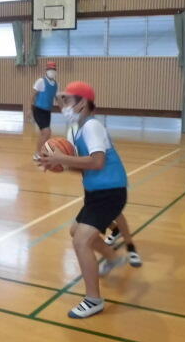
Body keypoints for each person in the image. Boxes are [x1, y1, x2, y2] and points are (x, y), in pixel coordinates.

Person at [39, 81, 134, 319]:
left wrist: (62, 159)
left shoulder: (92, 126)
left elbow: (97, 162)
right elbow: (85, 167)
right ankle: (112, 258)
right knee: (75, 231)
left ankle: (93, 300)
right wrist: (56, 163)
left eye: (68, 100)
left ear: (82, 103)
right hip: (96, 193)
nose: (63, 105)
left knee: (81, 241)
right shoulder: (77, 130)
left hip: (110, 192)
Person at [31, 61, 58, 161]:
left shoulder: (56, 84)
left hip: (47, 111)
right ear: (46, 70)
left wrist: (65, 108)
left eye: (54, 69)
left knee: (46, 133)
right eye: (50, 69)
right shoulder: (40, 81)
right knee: (46, 132)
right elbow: (33, 95)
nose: (52, 71)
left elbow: (58, 98)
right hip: (38, 110)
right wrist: (29, 110)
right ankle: (37, 153)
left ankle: (44, 152)